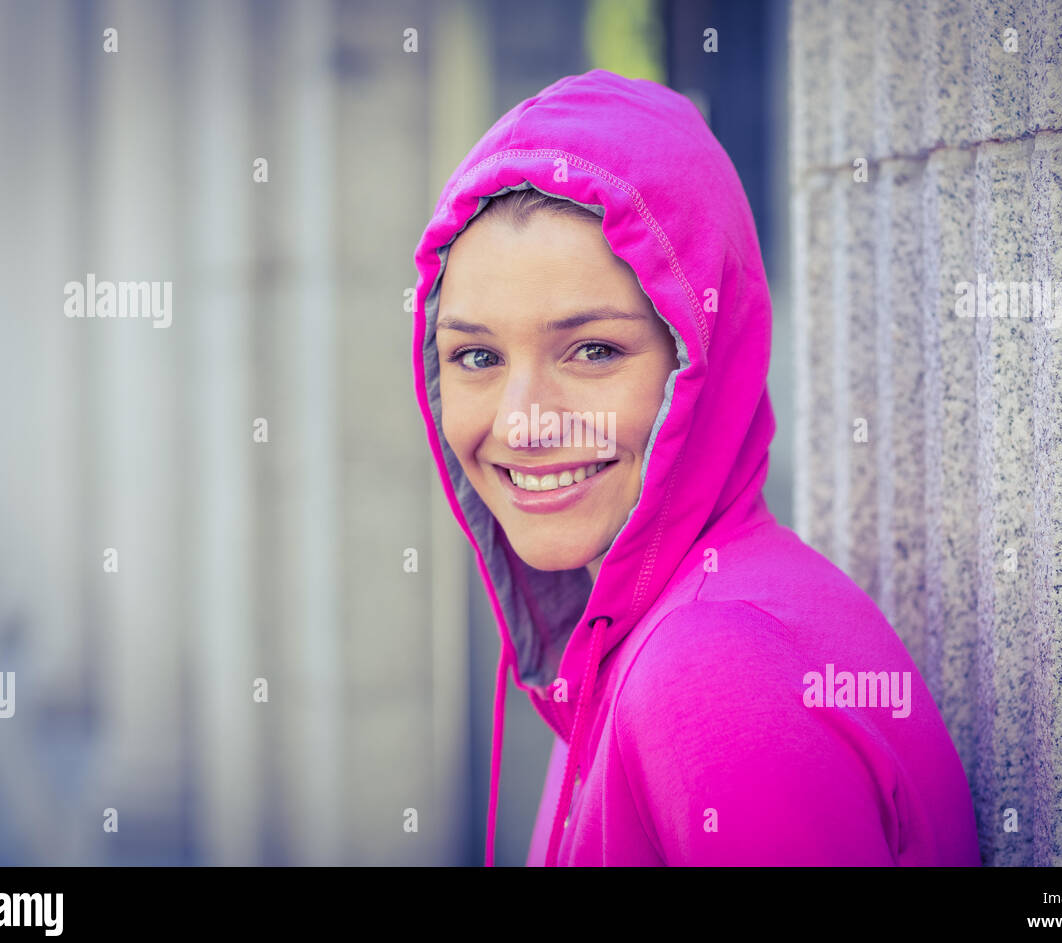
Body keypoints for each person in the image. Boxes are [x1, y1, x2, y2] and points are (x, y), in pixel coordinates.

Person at [410, 69, 981, 866]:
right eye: (476, 355)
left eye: (594, 350)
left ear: (701, 357)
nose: (521, 421)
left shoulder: (713, 673)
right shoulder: (659, 629)